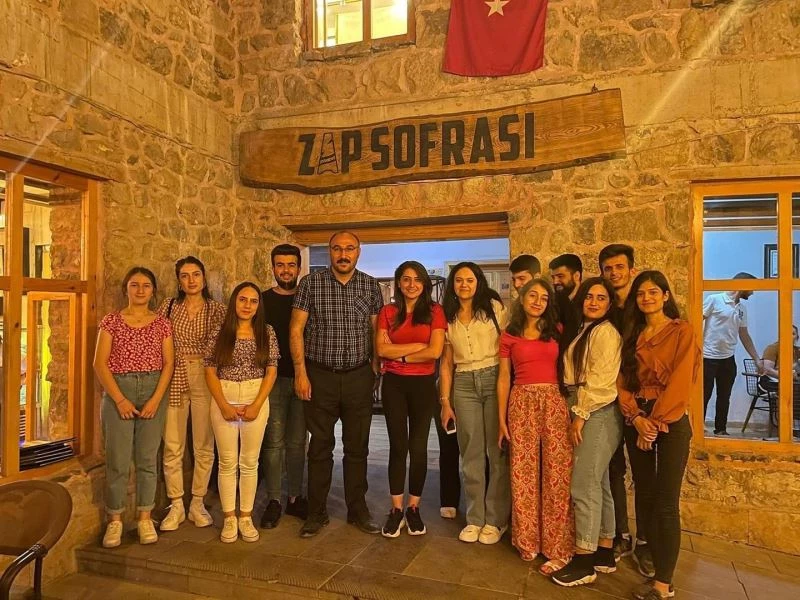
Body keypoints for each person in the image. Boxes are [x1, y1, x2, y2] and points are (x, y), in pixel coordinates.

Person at [290, 231, 384, 538]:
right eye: (337, 249)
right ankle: (316, 512)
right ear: (330, 251)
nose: (343, 254)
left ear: (358, 252)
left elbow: (376, 330)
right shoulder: (310, 284)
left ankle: (358, 510)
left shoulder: (371, 286)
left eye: (349, 249)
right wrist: (301, 373)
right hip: (320, 377)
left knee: (357, 448)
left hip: (358, 376)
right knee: (319, 447)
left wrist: (375, 368)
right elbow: (296, 329)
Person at [618, 271, 699, 600]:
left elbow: (681, 381)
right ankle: (650, 560)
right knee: (645, 495)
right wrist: (636, 418)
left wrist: (655, 423)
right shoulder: (631, 334)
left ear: (666, 296)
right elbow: (621, 381)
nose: (646, 298)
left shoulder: (682, 331)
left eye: (653, 292)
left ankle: (663, 584)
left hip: (670, 422)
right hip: (637, 419)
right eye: (641, 293)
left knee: (666, 502)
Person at [94, 267, 174, 548]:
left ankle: (144, 517)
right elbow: (99, 363)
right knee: (117, 460)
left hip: (153, 388)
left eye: (146, 285)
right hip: (120, 388)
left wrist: (155, 399)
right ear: (126, 288)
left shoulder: (162, 323)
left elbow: (168, 364)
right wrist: (119, 399)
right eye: (134, 285)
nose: (140, 290)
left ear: (153, 291)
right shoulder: (112, 321)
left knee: (147, 459)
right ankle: (115, 520)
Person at [497, 278, 573, 569]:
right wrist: (501, 419)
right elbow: (504, 378)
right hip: (521, 402)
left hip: (553, 401)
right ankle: (527, 540)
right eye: (533, 295)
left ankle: (556, 543)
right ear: (522, 298)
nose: (538, 302)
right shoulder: (509, 335)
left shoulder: (557, 331)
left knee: (557, 472)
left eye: (543, 298)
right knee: (523, 473)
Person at [551, 278, 623, 586]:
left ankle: (584, 560)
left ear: (610, 304)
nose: (593, 302)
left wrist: (580, 416)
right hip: (583, 403)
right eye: (589, 297)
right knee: (599, 482)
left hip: (596, 408)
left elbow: (601, 381)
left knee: (583, 484)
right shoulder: (584, 329)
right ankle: (604, 549)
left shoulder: (606, 333)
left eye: (601, 298)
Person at [440, 262, 510, 545]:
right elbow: (446, 364)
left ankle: (496, 520)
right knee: (470, 453)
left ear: (478, 282)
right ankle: (475, 518)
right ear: (452, 284)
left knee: (496, 451)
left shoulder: (493, 308)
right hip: (464, 382)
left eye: (469, 280)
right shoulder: (448, 316)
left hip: (493, 376)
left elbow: (506, 352)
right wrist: (445, 402)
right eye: (459, 280)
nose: (464, 285)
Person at [375, 261, 446, 537]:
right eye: (406, 279)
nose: (411, 284)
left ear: (424, 283)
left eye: (417, 279)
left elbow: (435, 351)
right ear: (398, 283)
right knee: (398, 446)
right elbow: (381, 349)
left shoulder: (435, 311)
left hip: (423, 385)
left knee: (418, 448)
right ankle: (396, 510)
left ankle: (413, 508)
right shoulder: (388, 312)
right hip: (394, 385)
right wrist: (417, 347)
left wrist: (401, 354)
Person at [205, 281, 279, 543]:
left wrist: (257, 404)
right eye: (243, 300)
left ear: (259, 306)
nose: (247, 305)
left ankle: (245, 516)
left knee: (249, 462)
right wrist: (223, 404)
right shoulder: (220, 332)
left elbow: (271, 371)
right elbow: (210, 370)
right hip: (224, 394)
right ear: (234, 302)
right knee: (227, 462)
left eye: (253, 301)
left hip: (254, 394)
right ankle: (229, 517)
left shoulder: (266, 332)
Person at [159, 257, 226, 532]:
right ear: (178, 281)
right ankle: (176, 503)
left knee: (204, 444)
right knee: (172, 444)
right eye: (185, 276)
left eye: (196, 274)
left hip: (204, 374)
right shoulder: (169, 307)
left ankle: (197, 501)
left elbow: (223, 344)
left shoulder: (216, 310)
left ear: (204, 278)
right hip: (174, 372)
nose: (191, 280)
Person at [259, 244, 309, 529]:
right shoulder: (262, 300)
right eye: (280, 265)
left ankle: (295, 497)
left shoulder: (308, 297)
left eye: (291, 265)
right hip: (272, 380)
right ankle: (274, 500)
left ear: (299, 267)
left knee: (298, 442)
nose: (286, 270)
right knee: (274, 441)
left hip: (303, 378)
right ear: (273, 267)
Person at [599, 243, 641, 566]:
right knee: (612, 468)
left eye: (619, 267)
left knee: (643, 474)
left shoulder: (644, 305)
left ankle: (646, 541)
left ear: (631, 270)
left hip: (642, 400)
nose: (614, 273)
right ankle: (619, 533)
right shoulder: (603, 308)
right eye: (608, 268)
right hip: (609, 400)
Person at [703, 272, 761, 436]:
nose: (753, 293)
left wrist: (756, 358)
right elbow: (696, 319)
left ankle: (721, 429)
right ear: (743, 285)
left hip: (728, 359)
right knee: (704, 395)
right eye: (752, 289)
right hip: (707, 357)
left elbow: (744, 334)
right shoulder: (715, 299)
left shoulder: (742, 309)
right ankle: (697, 428)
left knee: (724, 396)